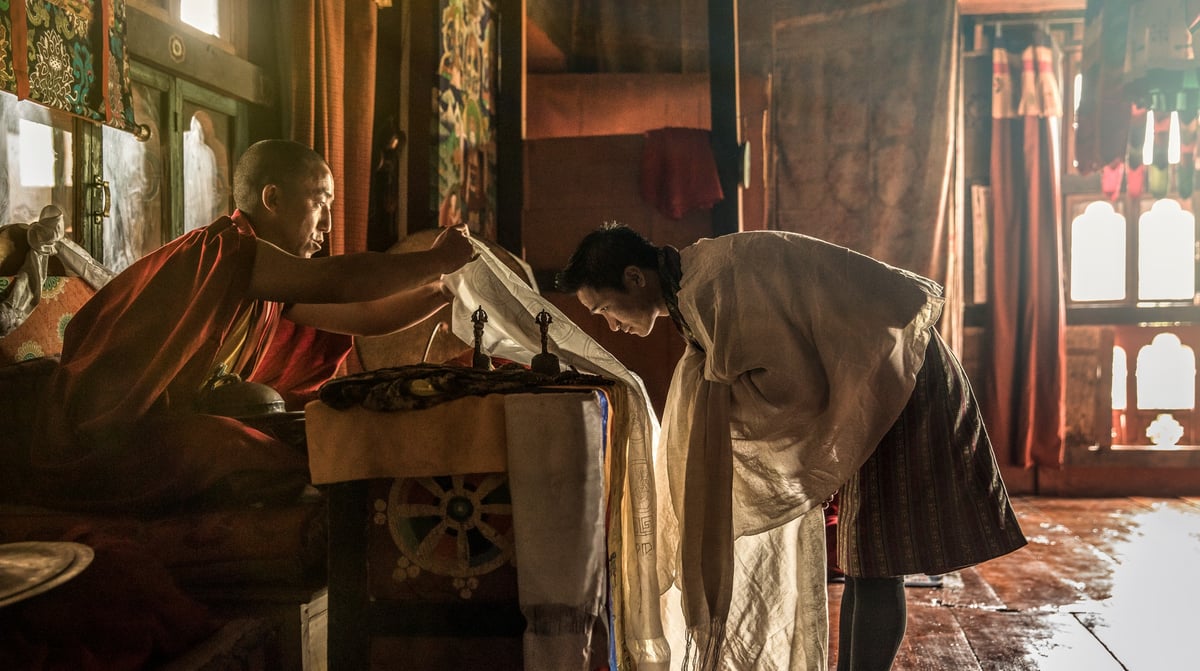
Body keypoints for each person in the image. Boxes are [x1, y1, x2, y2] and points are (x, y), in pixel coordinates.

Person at [556, 223, 1027, 671]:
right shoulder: (698, 281)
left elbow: (792, 386)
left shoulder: (710, 288)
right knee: (866, 561)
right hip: (875, 377)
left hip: (897, 377)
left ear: (635, 278)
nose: (612, 326)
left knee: (880, 564)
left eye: (604, 310)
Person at [30, 139, 475, 512]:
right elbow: (341, 280)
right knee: (239, 448)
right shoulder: (227, 251)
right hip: (104, 440)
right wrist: (435, 259)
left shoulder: (269, 278)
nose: (330, 223)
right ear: (273, 199)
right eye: (320, 202)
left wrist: (442, 290)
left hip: (175, 424)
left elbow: (365, 316)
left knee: (314, 432)